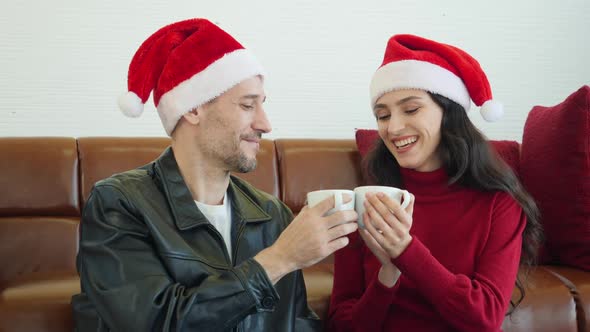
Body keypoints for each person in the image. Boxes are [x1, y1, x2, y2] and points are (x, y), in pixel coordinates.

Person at [71, 18, 358, 331]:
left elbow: (295, 322)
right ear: (193, 108)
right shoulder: (119, 204)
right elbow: (154, 322)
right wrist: (279, 259)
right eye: (248, 105)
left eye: (262, 105)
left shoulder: (270, 214)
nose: (265, 124)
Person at [327, 34, 543, 331]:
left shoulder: (500, 203)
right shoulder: (367, 203)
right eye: (383, 115)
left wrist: (405, 251)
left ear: (449, 113)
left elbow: (485, 319)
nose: (393, 127)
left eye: (411, 109)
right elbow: (342, 324)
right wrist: (387, 276)